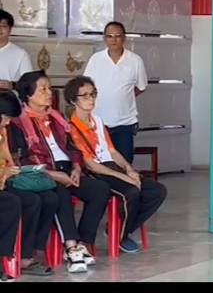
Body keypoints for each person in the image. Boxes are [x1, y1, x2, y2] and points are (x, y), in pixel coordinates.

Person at [9, 71, 111, 273]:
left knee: (100, 189)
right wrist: (53, 174)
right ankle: (71, 246)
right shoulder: (18, 123)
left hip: (67, 169)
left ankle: (84, 242)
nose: (49, 93)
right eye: (43, 89)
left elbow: (72, 147)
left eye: (49, 88)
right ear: (28, 95)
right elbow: (24, 159)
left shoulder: (57, 117)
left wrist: (76, 167)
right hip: (44, 173)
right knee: (60, 194)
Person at [64, 76, 166, 254]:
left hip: (111, 166)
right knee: (131, 192)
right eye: (85, 96)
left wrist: (129, 170)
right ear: (73, 100)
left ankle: (119, 228)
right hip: (97, 171)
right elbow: (91, 165)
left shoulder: (97, 121)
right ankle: (121, 237)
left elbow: (112, 151)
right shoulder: (71, 127)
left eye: (93, 94)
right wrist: (123, 177)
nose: (91, 99)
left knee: (157, 191)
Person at [0, 90, 55, 278]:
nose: (8, 123)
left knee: (43, 199)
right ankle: (4, 258)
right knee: (10, 203)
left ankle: (26, 255)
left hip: (4, 182)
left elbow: (7, 160)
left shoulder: (2, 132)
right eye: (5, 118)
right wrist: (5, 173)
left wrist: (14, 170)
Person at [83, 21, 148, 164]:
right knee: (100, 161)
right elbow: (85, 86)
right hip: (98, 121)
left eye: (117, 36)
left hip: (124, 122)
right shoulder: (96, 59)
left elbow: (141, 87)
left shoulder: (135, 61)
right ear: (104, 38)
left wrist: (124, 97)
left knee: (125, 161)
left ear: (124, 38)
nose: (113, 40)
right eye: (109, 36)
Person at [0, 10, 33, 91]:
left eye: (3, 26)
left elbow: (30, 83)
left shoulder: (20, 54)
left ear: (10, 30)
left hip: (8, 97)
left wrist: (13, 85)